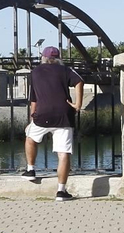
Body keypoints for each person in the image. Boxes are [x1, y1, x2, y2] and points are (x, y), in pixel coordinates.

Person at [24, 46, 84, 201]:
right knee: (63, 153)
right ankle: (61, 191)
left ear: (43, 58)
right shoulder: (65, 70)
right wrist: (78, 104)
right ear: (58, 58)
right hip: (64, 114)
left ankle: (30, 170)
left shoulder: (35, 72)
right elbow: (79, 81)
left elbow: (34, 99)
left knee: (30, 138)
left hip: (42, 113)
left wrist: (32, 118)